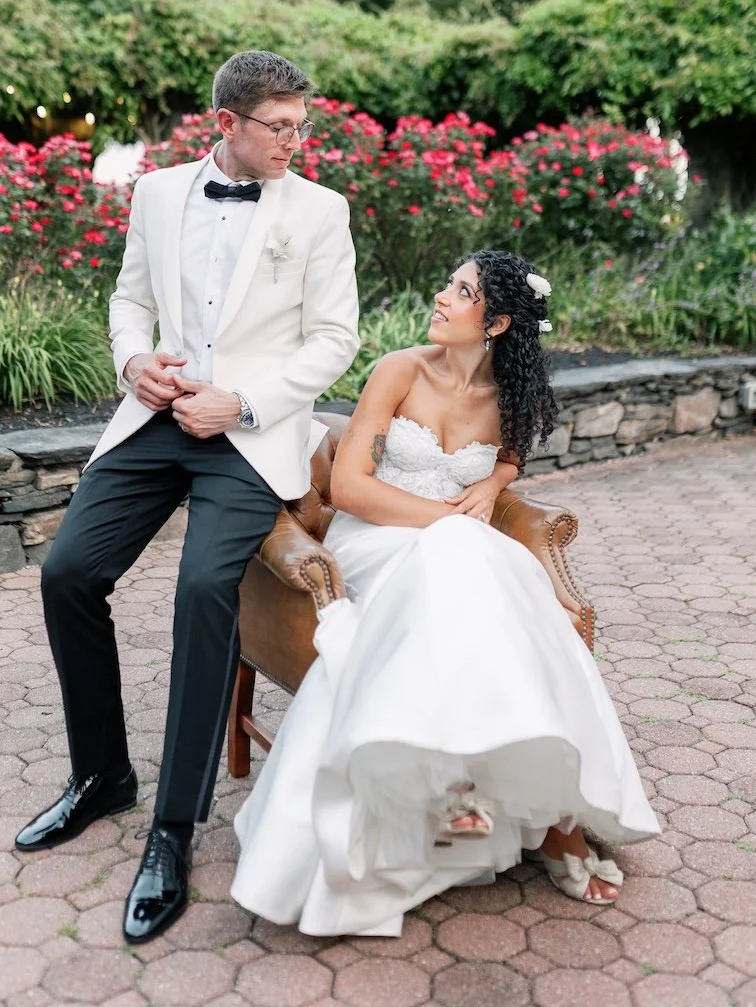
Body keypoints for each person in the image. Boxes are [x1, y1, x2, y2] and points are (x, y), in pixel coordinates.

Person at [14, 51, 360, 944]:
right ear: (228, 125)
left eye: (300, 126)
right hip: (155, 418)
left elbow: (334, 337)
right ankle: (101, 777)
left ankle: (173, 829)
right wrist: (136, 362)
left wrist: (240, 401)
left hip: (247, 436)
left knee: (204, 589)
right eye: (278, 126)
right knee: (66, 573)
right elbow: (128, 302)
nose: (296, 140)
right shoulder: (160, 194)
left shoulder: (320, 211)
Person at [231, 249, 660, 938]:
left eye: (460, 292)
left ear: (496, 323)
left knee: (477, 576)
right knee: (467, 558)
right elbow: (347, 490)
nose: (440, 296)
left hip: (452, 551)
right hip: (373, 540)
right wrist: (454, 521)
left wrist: (491, 485)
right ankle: (540, 821)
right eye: (450, 285)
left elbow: (511, 457)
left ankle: (517, 805)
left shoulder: (509, 398)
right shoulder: (400, 370)